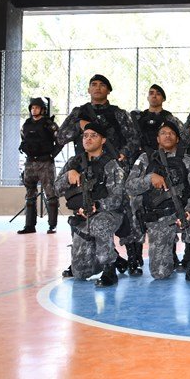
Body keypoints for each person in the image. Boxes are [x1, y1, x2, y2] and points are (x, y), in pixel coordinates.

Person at [125, 121, 190, 282]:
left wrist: (189, 210)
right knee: (160, 273)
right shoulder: (145, 159)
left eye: (171, 133)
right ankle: (169, 252)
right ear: (158, 139)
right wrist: (149, 179)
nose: (167, 135)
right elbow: (129, 187)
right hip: (158, 218)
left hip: (182, 213)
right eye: (163, 133)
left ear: (177, 139)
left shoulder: (189, 161)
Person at [55, 122, 128, 287]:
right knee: (80, 273)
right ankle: (115, 258)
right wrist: (67, 176)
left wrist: (96, 206)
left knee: (99, 223)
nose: (88, 139)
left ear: (103, 140)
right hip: (83, 216)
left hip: (110, 214)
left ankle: (109, 268)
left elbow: (117, 198)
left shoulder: (112, 165)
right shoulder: (74, 162)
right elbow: (55, 190)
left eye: (94, 136)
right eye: (85, 135)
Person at [18, 97, 61, 234]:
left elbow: (60, 140)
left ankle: (52, 225)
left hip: (45, 162)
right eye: (32, 108)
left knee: (50, 193)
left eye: (36, 107)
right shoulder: (26, 125)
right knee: (30, 194)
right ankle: (29, 226)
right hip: (30, 162)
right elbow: (23, 139)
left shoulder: (49, 125)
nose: (34, 110)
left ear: (42, 109)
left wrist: (52, 155)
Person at [130, 84, 183, 156]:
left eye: (158, 94)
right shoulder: (138, 118)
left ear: (163, 99)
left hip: (165, 157)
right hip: (141, 156)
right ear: (148, 98)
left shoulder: (169, 118)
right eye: (151, 93)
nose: (154, 96)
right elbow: (130, 139)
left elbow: (183, 137)